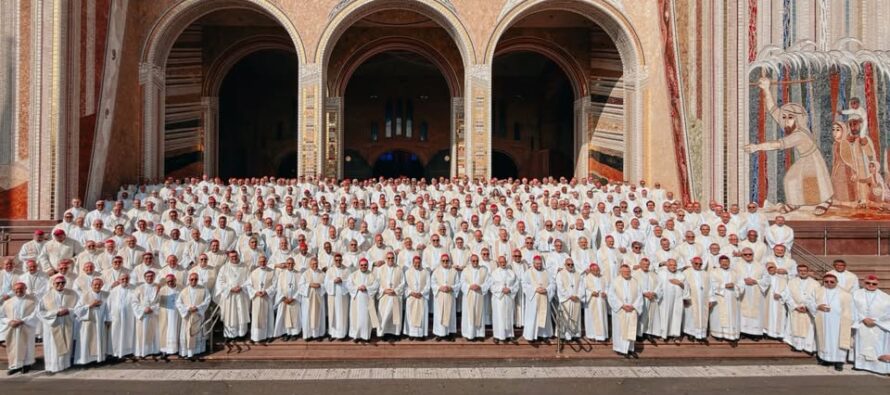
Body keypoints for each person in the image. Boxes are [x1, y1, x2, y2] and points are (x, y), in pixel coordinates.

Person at [808, 273, 853, 371]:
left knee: (838, 341)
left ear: (836, 282)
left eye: (832, 282)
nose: (829, 283)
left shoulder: (845, 294)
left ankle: (839, 362)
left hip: (839, 323)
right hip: (824, 321)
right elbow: (809, 301)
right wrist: (817, 306)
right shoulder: (818, 291)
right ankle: (825, 359)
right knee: (825, 339)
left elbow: (851, 309)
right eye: (826, 282)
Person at [851, 275, 890, 374]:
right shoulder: (855, 294)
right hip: (862, 324)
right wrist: (863, 318)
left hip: (878, 326)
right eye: (868, 283)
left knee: (876, 346)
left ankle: (877, 367)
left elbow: (888, 313)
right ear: (864, 283)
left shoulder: (885, 297)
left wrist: (875, 320)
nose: (871, 285)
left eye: (874, 284)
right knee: (862, 345)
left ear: (878, 284)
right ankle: (860, 365)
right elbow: (852, 308)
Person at [39, 275, 78, 373]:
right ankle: (53, 366)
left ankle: (65, 365)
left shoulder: (73, 294)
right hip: (53, 324)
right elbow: (40, 312)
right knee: (53, 346)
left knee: (65, 342)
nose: (60, 284)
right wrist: (55, 313)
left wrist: (69, 310)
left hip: (66, 322)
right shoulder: (46, 296)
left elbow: (78, 308)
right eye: (58, 283)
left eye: (63, 283)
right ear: (53, 284)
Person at [1, 282, 38, 375]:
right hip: (12, 328)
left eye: (21, 289)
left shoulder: (33, 300)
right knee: (13, 347)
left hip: (27, 326)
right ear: (13, 290)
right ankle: (15, 366)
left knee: (27, 346)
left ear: (25, 289)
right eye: (16, 289)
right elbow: (1, 316)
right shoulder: (7, 302)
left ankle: (27, 365)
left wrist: (23, 321)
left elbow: (36, 314)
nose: (19, 291)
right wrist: (9, 321)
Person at [214, 251, 250, 340]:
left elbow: (249, 280)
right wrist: (230, 288)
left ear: (238, 256)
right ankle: (230, 334)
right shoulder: (224, 268)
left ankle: (242, 333)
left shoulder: (244, 267)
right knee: (230, 314)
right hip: (229, 295)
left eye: (235, 256)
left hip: (241, 294)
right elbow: (220, 282)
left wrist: (241, 287)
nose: (233, 258)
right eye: (231, 256)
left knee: (241, 313)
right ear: (229, 257)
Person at [608, 264, 642, 358]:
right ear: (620, 272)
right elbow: (611, 296)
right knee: (620, 330)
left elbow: (639, 296)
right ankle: (620, 349)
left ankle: (630, 349)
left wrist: (634, 306)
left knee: (630, 329)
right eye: (625, 272)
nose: (627, 273)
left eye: (628, 271)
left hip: (632, 310)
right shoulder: (615, 282)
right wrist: (622, 306)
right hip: (620, 310)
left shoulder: (635, 281)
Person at [73, 277, 109, 366]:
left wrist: (108, 319)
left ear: (102, 285)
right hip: (88, 323)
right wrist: (90, 305)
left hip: (100, 323)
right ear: (91, 285)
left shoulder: (106, 295)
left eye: (99, 284)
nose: (97, 286)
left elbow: (109, 309)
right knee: (87, 341)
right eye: (95, 285)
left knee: (99, 340)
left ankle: (99, 359)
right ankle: (86, 360)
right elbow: (77, 310)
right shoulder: (84, 296)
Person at [783, 264, 818, 352]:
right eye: (800, 271)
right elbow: (787, 296)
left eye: (804, 271)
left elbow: (817, 298)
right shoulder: (791, 282)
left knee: (809, 329)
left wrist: (808, 307)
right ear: (797, 272)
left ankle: (809, 348)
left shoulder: (815, 283)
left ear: (808, 271)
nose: (802, 272)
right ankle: (796, 346)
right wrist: (795, 306)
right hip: (796, 309)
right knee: (795, 327)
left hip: (808, 310)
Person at [176, 272, 211, 359]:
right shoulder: (184, 291)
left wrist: (198, 308)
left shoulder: (203, 289)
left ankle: (197, 351)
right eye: (192, 279)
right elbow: (178, 303)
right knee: (187, 333)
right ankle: (187, 352)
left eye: (195, 279)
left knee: (197, 333)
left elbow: (207, 300)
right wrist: (188, 309)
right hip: (187, 317)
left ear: (198, 280)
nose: (194, 281)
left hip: (197, 316)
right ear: (189, 280)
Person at [652, 259, 688, 341]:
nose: (673, 267)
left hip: (677, 300)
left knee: (677, 316)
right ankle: (664, 335)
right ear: (667, 265)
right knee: (665, 316)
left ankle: (676, 335)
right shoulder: (661, 274)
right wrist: (656, 294)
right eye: (671, 265)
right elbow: (658, 286)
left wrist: (679, 283)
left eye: (674, 265)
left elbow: (686, 287)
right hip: (665, 300)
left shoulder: (681, 274)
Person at [521, 255, 554, 342]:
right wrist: (535, 289)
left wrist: (546, 289)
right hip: (534, 299)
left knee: (544, 316)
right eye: (537, 264)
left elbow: (552, 283)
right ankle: (531, 336)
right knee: (533, 317)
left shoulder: (546, 272)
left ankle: (544, 335)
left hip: (544, 296)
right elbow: (524, 284)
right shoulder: (528, 272)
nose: (539, 265)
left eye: (540, 264)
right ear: (533, 263)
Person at [710, 255, 741, 342]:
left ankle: (731, 335)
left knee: (732, 316)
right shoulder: (714, 272)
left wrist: (735, 286)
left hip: (732, 298)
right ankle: (718, 334)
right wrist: (724, 285)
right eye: (722, 262)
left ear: (729, 262)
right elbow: (711, 284)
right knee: (718, 316)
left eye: (726, 262)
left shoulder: (735, 272)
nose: (724, 263)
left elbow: (741, 284)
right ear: (719, 262)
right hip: (720, 297)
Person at [347, 258, 379, 342]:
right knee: (356, 318)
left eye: (365, 265)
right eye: (361, 265)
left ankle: (366, 336)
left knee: (366, 319)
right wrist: (357, 287)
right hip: (356, 300)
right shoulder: (353, 275)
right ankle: (356, 336)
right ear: (359, 266)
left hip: (367, 300)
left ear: (368, 265)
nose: (363, 266)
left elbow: (376, 285)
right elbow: (349, 285)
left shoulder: (372, 275)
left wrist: (367, 288)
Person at [375, 252, 405, 339]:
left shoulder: (399, 269)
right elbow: (377, 283)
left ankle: (395, 333)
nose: (390, 260)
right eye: (388, 258)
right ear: (386, 259)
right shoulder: (380, 269)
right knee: (384, 314)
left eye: (392, 258)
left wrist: (395, 290)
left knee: (395, 315)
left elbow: (402, 283)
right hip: (385, 295)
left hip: (395, 295)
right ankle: (383, 332)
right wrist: (384, 290)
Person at [247, 255, 276, 343]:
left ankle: (269, 335)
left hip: (267, 298)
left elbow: (275, 285)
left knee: (268, 316)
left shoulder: (272, 272)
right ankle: (256, 337)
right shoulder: (254, 272)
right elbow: (248, 285)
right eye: (261, 262)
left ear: (266, 261)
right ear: (258, 262)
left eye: (264, 261)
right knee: (256, 317)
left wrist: (266, 291)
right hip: (256, 298)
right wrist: (255, 292)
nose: (262, 263)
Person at [107, 273, 136, 360]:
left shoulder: (133, 289)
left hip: (129, 316)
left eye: (126, 279)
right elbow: (108, 304)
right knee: (115, 333)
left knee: (128, 334)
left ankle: (127, 351)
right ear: (119, 280)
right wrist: (108, 318)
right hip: (115, 317)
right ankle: (114, 352)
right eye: (122, 279)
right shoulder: (113, 291)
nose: (124, 280)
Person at [461, 254, 490, 341]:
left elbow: (488, 282)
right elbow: (462, 282)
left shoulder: (484, 270)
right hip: (469, 295)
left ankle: (480, 334)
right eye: (473, 261)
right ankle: (470, 335)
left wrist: (480, 287)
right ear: (470, 261)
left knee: (479, 313)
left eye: (477, 261)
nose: (475, 262)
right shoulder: (465, 270)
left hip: (479, 294)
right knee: (469, 314)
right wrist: (469, 286)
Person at [431, 254, 459, 341]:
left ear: (449, 261)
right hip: (440, 296)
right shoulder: (436, 271)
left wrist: (451, 288)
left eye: (447, 260)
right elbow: (433, 283)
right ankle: (440, 334)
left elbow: (458, 284)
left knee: (450, 314)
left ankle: (450, 333)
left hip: (450, 295)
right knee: (439, 314)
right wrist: (440, 287)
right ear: (441, 261)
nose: (445, 262)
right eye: (443, 261)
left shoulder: (454, 271)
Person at [132, 270, 160, 359]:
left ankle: (154, 351)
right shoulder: (139, 288)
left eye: (151, 276)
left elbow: (161, 301)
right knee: (142, 333)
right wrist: (144, 309)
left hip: (153, 314)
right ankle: (143, 351)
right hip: (143, 315)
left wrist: (152, 309)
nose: (149, 278)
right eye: (147, 276)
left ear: (154, 277)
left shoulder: (158, 288)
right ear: (144, 278)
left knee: (154, 332)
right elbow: (134, 302)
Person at [490, 256, 518, 343]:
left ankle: (509, 335)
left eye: (504, 262)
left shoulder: (511, 273)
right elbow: (491, 286)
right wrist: (502, 289)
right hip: (499, 298)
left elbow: (516, 284)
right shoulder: (494, 273)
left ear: (506, 262)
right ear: (498, 262)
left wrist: (510, 289)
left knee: (508, 316)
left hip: (508, 297)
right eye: (501, 262)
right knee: (498, 317)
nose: (503, 263)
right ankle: (497, 336)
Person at [683, 257, 711, 341]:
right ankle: (690, 333)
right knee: (690, 316)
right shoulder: (686, 272)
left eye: (700, 264)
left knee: (702, 316)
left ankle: (701, 334)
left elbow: (711, 287)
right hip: (691, 298)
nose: (698, 265)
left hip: (703, 299)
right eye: (696, 263)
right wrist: (685, 297)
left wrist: (711, 299)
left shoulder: (705, 273)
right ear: (692, 263)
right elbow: (684, 286)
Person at [580, 263, 609, 342]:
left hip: (601, 301)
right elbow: (583, 290)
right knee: (591, 318)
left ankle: (602, 336)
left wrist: (605, 293)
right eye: (595, 270)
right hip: (592, 301)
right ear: (591, 270)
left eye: (598, 270)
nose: (597, 272)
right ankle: (591, 335)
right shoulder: (586, 278)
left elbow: (607, 287)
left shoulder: (603, 277)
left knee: (602, 318)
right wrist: (591, 293)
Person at [403, 255, 430, 340]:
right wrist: (411, 293)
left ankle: (420, 335)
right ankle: (411, 334)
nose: (417, 264)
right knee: (410, 316)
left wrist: (421, 293)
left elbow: (428, 285)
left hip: (421, 298)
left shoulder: (425, 272)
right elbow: (405, 286)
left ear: (421, 263)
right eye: (415, 263)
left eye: (418, 263)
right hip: (412, 297)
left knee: (421, 316)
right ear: (413, 263)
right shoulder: (407, 272)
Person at [325, 253, 351, 340]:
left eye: (339, 260)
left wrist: (342, 281)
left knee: (342, 314)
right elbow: (326, 282)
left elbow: (350, 282)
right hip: (333, 296)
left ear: (342, 260)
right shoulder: (330, 270)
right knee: (333, 314)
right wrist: (333, 281)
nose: (338, 261)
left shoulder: (346, 270)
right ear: (334, 260)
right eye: (336, 260)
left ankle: (342, 334)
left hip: (343, 296)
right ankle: (332, 333)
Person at [555, 258, 582, 341]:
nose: (570, 266)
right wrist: (569, 296)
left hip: (575, 299)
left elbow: (582, 286)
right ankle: (563, 335)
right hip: (566, 299)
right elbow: (560, 287)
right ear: (565, 265)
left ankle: (574, 334)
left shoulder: (578, 274)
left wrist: (577, 295)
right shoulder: (560, 274)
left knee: (575, 317)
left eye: (572, 264)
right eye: (568, 264)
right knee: (565, 317)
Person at [299, 257, 327, 340]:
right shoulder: (305, 274)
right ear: (310, 264)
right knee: (307, 315)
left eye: (316, 264)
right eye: (313, 264)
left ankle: (318, 334)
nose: (315, 265)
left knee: (319, 315)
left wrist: (320, 286)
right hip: (308, 299)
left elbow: (326, 285)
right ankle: (308, 335)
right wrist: (309, 285)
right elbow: (300, 286)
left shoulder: (322, 273)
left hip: (319, 298)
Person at [157, 274, 182, 358]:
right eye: (168, 281)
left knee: (177, 330)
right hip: (166, 314)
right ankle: (164, 350)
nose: (170, 283)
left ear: (175, 280)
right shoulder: (163, 290)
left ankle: (177, 349)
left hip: (178, 314)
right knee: (166, 331)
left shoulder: (180, 289)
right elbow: (161, 304)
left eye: (171, 281)